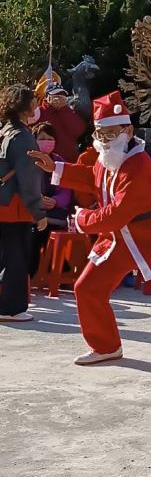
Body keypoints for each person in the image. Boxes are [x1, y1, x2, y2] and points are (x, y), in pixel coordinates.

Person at [29, 91, 151, 382]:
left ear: (127, 130)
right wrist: (56, 167)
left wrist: (81, 220)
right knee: (88, 288)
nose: (104, 139)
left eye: (110, 132)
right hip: (119, 239)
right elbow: (91, 177)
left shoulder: (139, 164)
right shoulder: (108, 156)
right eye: (99, 133)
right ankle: (106, 346)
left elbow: (119, 211)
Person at [0, 84, 47, 322]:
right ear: (23, 104)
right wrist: (39, 211)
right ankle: (10, 308)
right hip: (15, 207)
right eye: (34, 101)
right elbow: (29, 179)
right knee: (17, 260)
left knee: (6, 257)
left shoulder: (5, 131)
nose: (37, 105)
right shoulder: (22, 136)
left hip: (4, 203)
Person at [30, 122, 73, 276]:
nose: (47, 142)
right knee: (33, 236)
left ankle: (59, 270)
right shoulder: (28, 161)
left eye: (50, 138)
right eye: (42, 138)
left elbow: (66, 190)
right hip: (32, 213)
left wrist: (55, 201)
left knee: (43, 235)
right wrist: (37, 200)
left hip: (55, 215)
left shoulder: (59, 161)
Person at [38, 82, 87, 162]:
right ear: (47, 97)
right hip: (48, 162)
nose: (58, 98)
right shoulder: (40, 112)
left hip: (70, 161)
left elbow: (79, 130)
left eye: (61, 95)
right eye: (55, 95)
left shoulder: (68, 111)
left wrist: (63, 110)